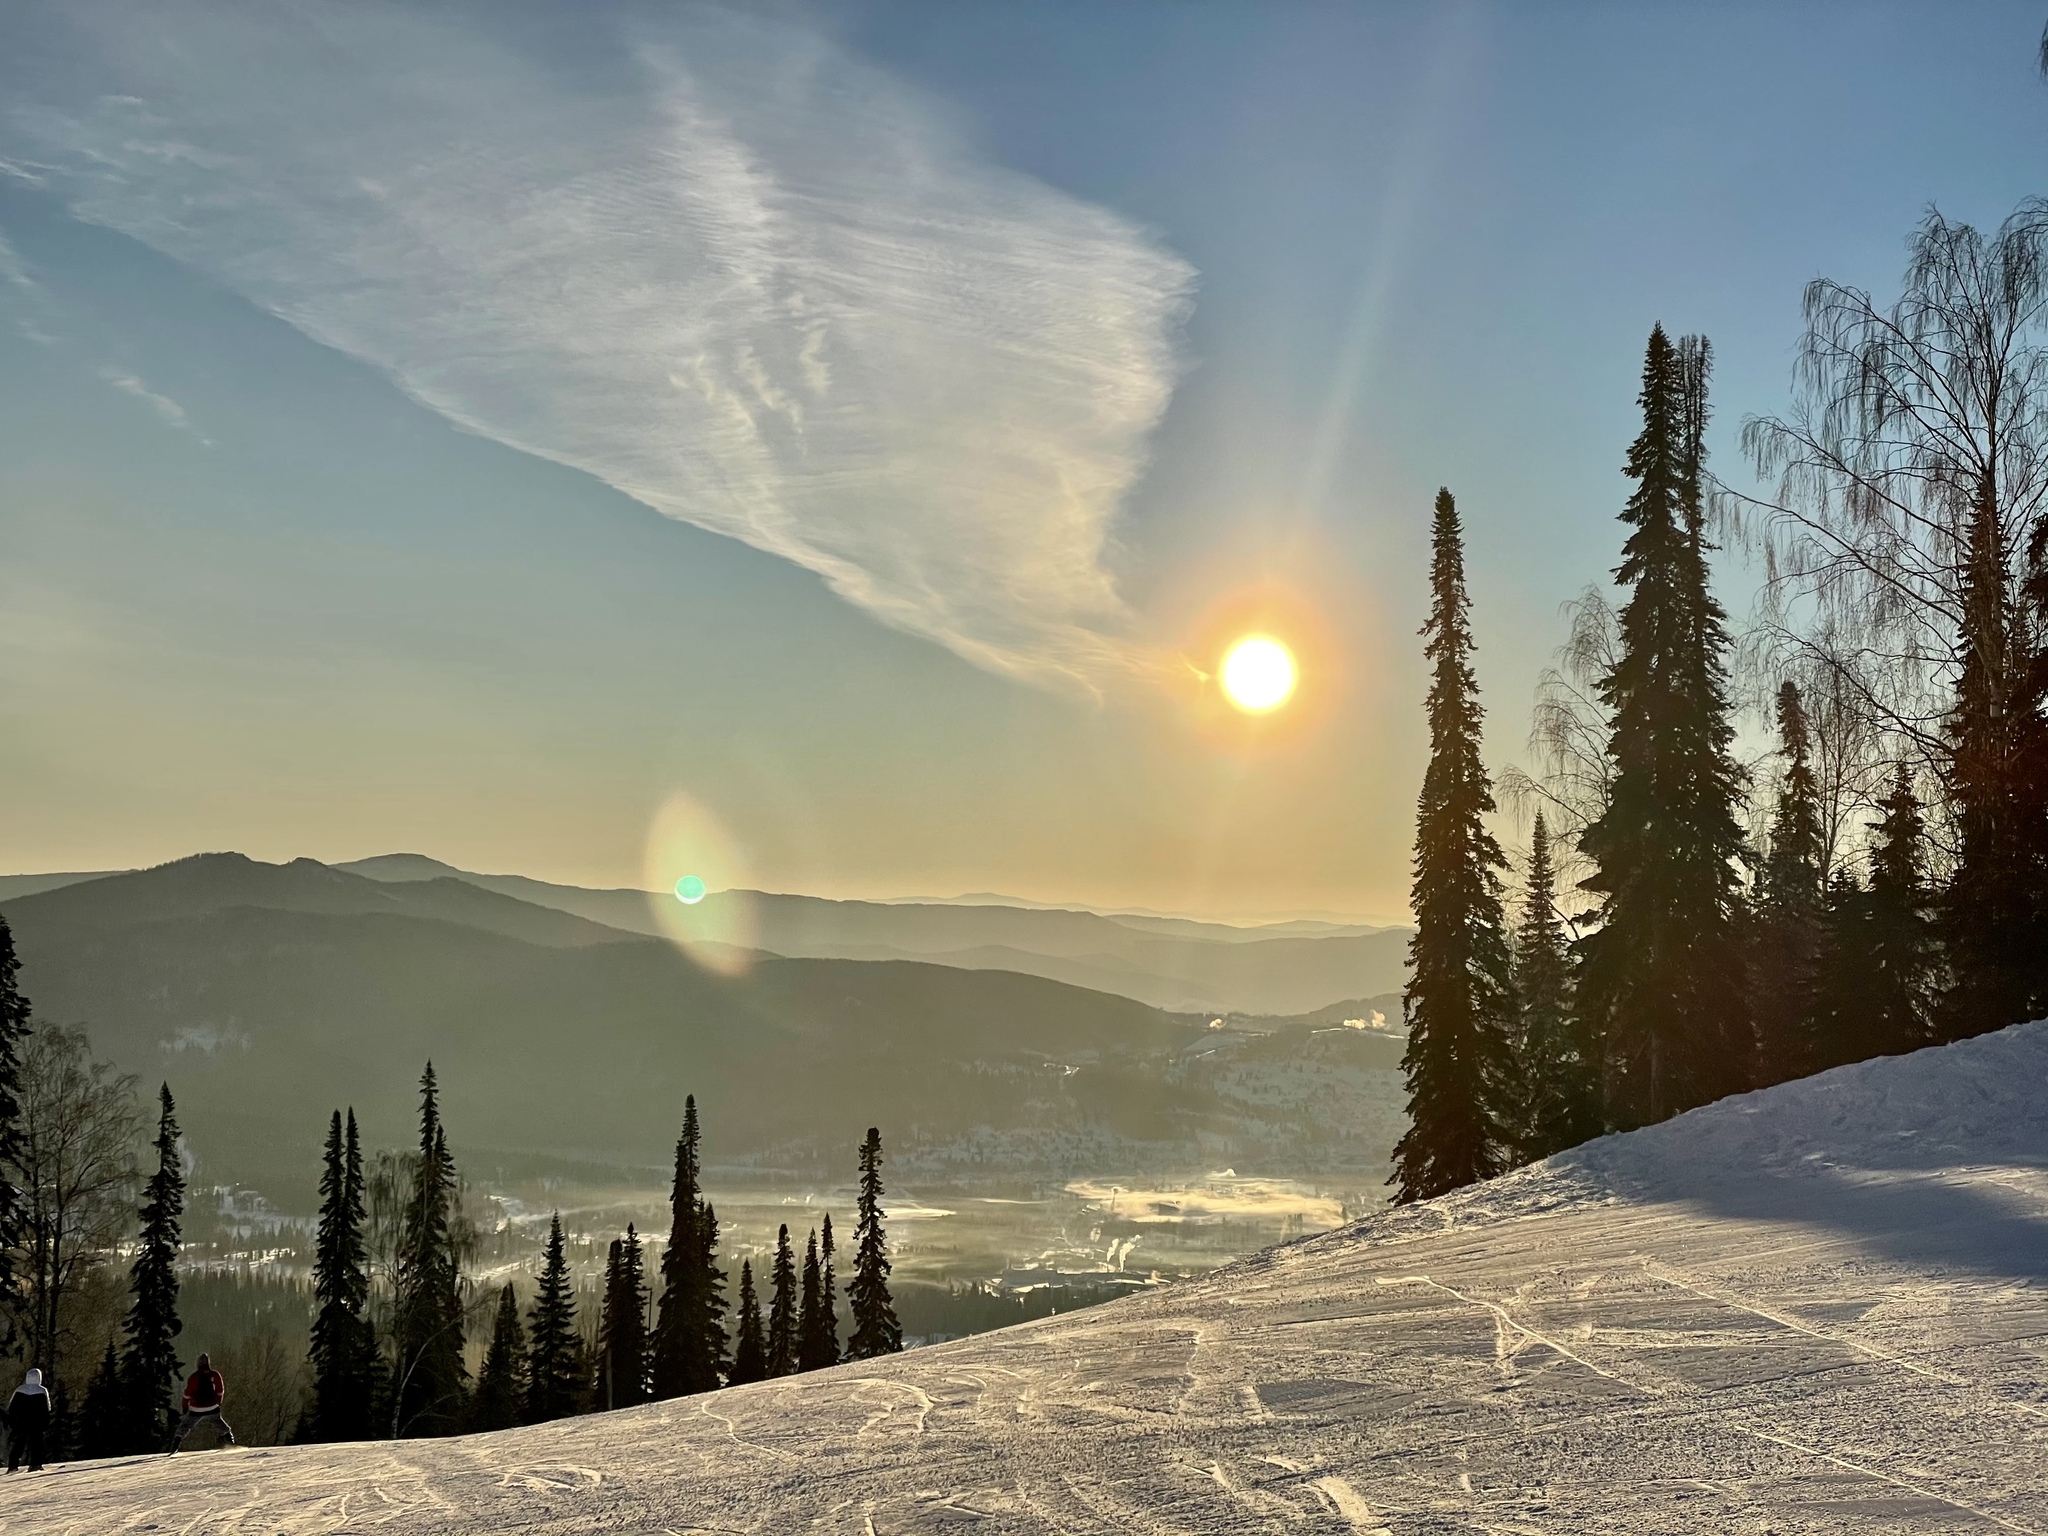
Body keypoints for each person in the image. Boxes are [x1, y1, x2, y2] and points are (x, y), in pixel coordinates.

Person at [169, 1353, 236, 1452]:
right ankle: (230, 1441)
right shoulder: (215, 1375)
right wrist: (218, 1402)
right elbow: (220, 1390)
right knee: (218, 1423)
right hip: (212, 1407)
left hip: (196, 1408)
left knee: (186, 1425)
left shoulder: (194, 1377)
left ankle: (175, 1444)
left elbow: (187, 1394)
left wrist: (185, 1406)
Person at [6, 1368, 51, 1473]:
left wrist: (14, 1421)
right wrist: (45, 1422)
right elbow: (46, 1408)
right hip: (36, 1423)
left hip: (22, 1422)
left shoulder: (19, 1389)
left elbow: (12, 1407)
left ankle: (13, 1465)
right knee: (36, 1444)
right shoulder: (42, 1390)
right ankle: (35, 1464)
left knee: (19, 1444)